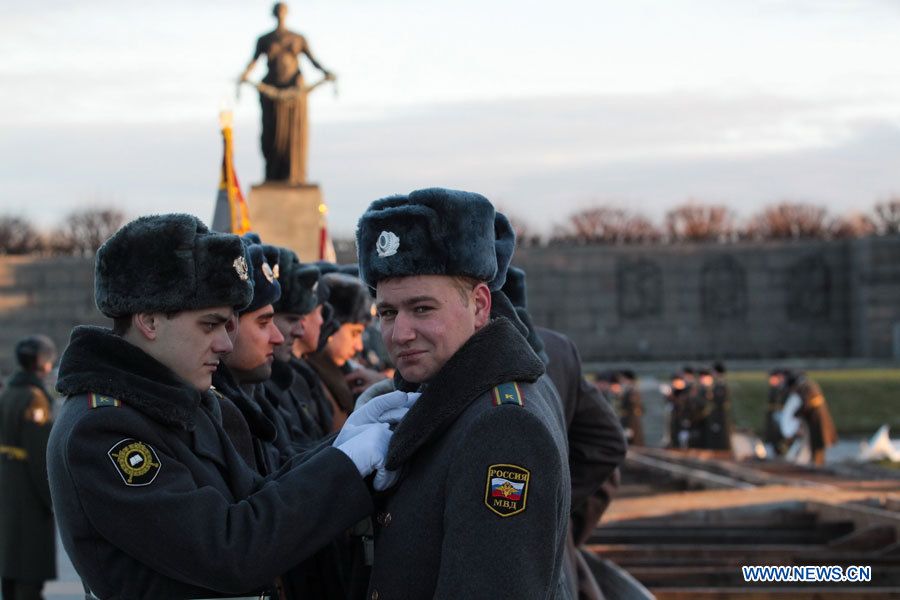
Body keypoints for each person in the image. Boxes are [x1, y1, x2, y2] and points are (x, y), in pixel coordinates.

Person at [46, 214, 407, 599]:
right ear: (149, 320)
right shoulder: (102, 430)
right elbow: (229, 551)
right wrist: (346, 464)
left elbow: (259, 492)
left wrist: (342, 445)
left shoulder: (181, 403)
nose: (224, 344)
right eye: (210, 325)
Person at [356, 188, 571, 598]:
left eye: (422, 309)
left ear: (479, 306)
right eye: (387, 312)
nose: (400, 334)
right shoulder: (451, 399)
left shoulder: (503, 427)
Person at [240, 2, 333, 183]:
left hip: (295, 93)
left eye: (283, 11)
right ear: (274, 14)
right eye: (278, 11)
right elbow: (253, 62)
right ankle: (273, 176)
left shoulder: (298, 38)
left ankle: (294, 176)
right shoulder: (264, 39)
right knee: (272, 137)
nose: (281, 14)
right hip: (272, 94)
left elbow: (313, 60)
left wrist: (326, 72)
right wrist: (244, 76)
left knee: (293, 139)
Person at [0, 335, 57, 600]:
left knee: (10, 566)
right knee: (28, 568)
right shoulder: (35, 399)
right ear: (42, 364)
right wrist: (50, 497)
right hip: (28, 494)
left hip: (8, 485)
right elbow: (38, 456)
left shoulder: (9, 391)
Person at [306, 272, 380, 431]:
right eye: (354, 333)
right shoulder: (308, 381)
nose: (359, 346)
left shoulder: (343, 374)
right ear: (332, 324)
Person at [787, 371, 838, 465]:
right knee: (816, 444)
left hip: (817, 420)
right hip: (816, 419)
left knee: (818, 444)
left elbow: (807, 403)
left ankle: (818, 465)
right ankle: (816, 463)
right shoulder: (807, 385)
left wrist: (797, 413)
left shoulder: (806, 386)